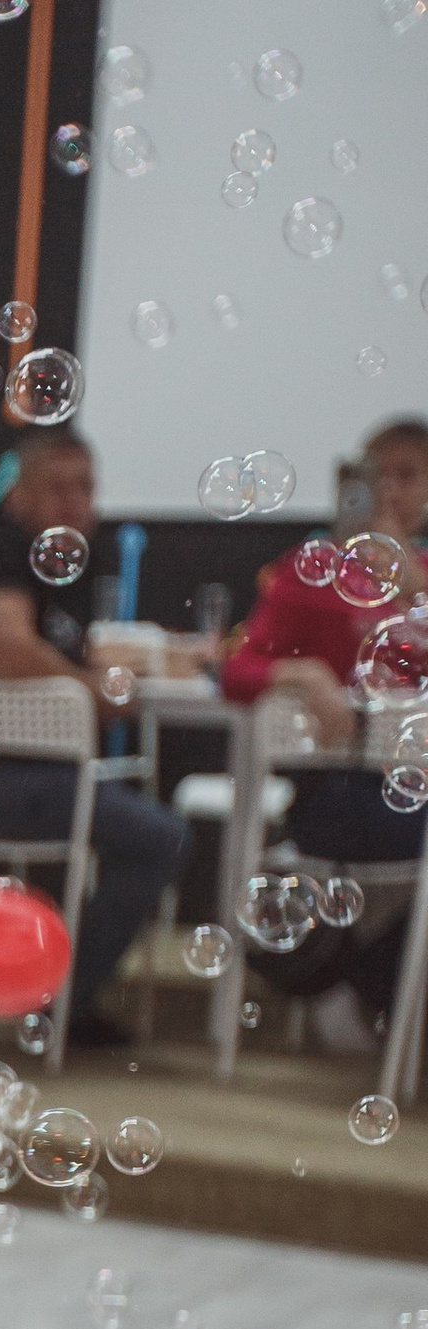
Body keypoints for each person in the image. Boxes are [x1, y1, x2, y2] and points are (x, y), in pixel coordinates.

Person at [0, 429, 191, 1048]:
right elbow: (7, 647)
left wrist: (128, 666)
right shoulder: (4, 552)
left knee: (145, 833)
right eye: (59, 486)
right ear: (18, 493)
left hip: (22, 782)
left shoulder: (50, 565)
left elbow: (62, 646)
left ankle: (51, 988)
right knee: (163, 838)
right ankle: (57, 995)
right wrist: (90, 689)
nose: (77, 501)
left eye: (86, 486)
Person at [216, 413, 428, 1042]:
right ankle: (368, 994)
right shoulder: (310, 575)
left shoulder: (420, 581)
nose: (392, 492)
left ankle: (358, 987)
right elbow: (238, 671)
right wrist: (301, 675)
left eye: (411, 476)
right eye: (378, 476)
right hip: (337, 798)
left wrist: (406, 580)